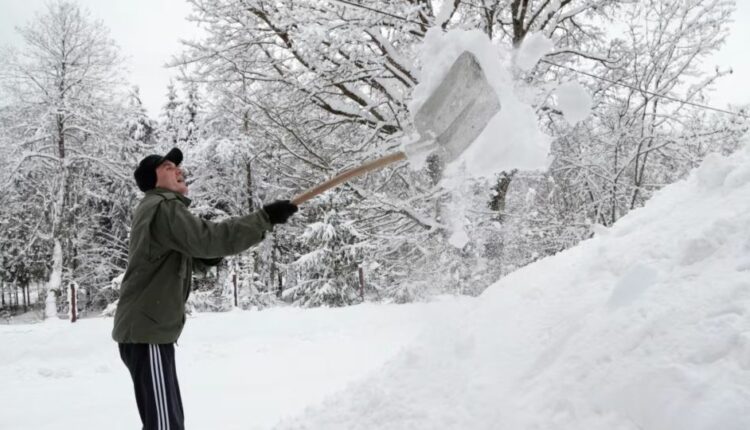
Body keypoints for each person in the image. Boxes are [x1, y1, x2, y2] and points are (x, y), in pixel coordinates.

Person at [112, 147, 297, 429]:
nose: (178, 170)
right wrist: (264, 218)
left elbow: (184, 258)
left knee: (166, 419)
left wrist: (208, 255)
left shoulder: (158, 209)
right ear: (153, 179)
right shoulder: (163, 207)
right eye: (168, 167)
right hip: (147, 332)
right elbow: (210, 238)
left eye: (178, 166)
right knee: (164, 424)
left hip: (148, 329)